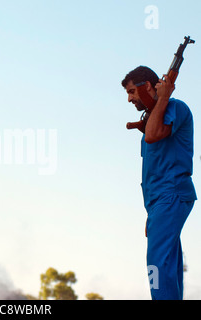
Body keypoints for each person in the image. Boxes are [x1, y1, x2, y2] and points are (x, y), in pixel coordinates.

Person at [122, 66, 197, 300]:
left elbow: (153, 134)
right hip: (159, 203)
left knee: (157, 263)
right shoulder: (153, 117)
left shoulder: (175, 107)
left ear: (147, 87)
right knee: (169, 265)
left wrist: (163, 96)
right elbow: (154, 171)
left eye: (133, 91)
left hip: (172, 195)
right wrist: (151, 213)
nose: (129, 99)